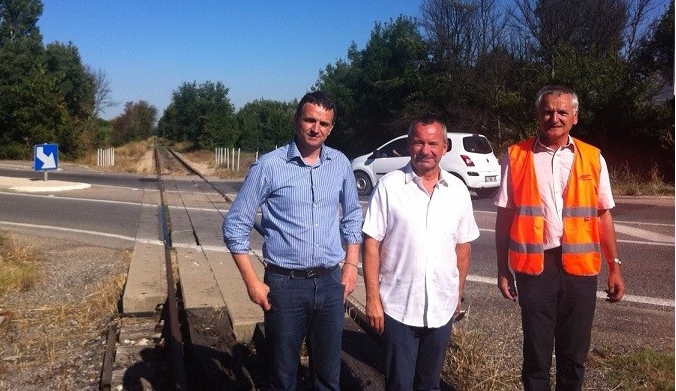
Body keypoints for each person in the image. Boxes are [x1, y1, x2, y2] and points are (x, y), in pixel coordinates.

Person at [222, 91, 363, 391]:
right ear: (296, 120)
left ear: (331, 127)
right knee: (282, 377)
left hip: (329, 281)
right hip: (284, 285)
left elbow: (352, 217)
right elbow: (235, 226)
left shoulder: (339, 164)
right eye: (310, 120)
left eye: (324, 124)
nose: (316, 129)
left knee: (328, 376)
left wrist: (351, 264)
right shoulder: (268, 167)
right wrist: (251, 283)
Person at [494, 85, 625, 390]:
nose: (555, 117)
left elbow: (603, 213)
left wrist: (614, 266)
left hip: (579, 271)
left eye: (562, 111)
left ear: (574, 117)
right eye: (548, 111)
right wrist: (503, 269)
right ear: (538, 115)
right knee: (536, 358)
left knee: (573, 358)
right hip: (535, 268)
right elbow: (505, 217)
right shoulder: (515, 156)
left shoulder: (593, 158)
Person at [362, 114, 479, 391]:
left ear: (445, 146)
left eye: (433, 143)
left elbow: (463, 247)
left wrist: (457, 295)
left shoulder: (458, 191)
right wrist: (372, 299)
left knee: (430, 384)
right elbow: (371, 245)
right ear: (408, 145)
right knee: (399, 384)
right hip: (398, 307)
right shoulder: (389, 186)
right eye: (418, 142)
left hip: (441, 307)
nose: (425, 150)